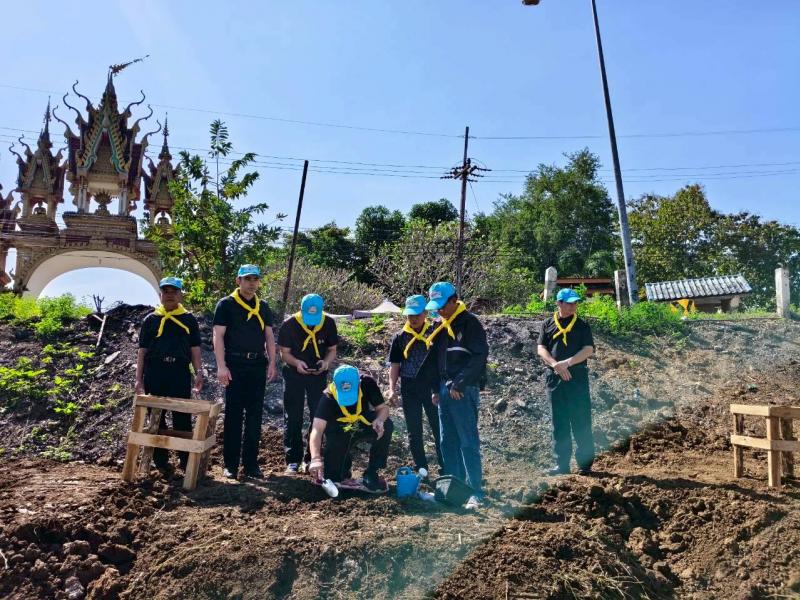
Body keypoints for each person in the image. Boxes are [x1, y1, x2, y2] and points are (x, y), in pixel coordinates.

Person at [425, 282, 488, 510]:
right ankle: (453, 490)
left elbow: (479, 357)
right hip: (444, 389)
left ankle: (475, 491)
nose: (440, 310)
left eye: (443, 306)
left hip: (463, 390)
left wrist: (460, 383)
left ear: (454, 300)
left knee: (467, 441)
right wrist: (435, 389)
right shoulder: (439, 326)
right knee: (447, 441)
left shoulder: (470, 323)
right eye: (436, 307)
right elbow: (434, 362)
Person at [213, 265, 277, 480]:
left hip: (257, 365)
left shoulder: (263, 306)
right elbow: (218, 336)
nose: (251, 283)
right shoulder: (226, 305)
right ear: (238, 281)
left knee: (254, 416)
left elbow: (269, 336)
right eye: (247, 279)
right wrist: (221, 366)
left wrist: (272, 362)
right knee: (233, 416)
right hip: (235, 366)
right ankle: (230, 465)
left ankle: (251, 465)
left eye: (255, 279)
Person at [135, 277, 203, 472]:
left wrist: (199, 373)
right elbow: (142, 351)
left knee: (182, 416)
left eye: (174, 291)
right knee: (156, 418)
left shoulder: (189, 319)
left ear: (180, 294)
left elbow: (195, 349)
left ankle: (185, 461)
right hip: (155, 371)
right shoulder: (150, 320)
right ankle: (161, 462)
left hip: (179, 371)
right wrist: (138, 379)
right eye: (166, 291)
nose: (170, 295)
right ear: (161, 294)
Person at [536, 288, 596, 475]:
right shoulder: (547, 324)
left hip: (576, 376)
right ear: (559, 303)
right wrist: (555, 365)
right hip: (555, 377)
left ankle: (585, 465)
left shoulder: (582, 325)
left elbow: (588, 350)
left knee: (581, 420)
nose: (573, 306)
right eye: (569, 303)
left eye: (575, 303)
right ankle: (561, 465)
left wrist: (567, 363)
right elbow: (541, 348)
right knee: (559, 422)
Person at [277, 293, 338, 473]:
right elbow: (284, 353)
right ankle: (293, 459)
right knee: (293, 415)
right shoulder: (289, 324)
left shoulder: (328, 323)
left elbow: (332, 349)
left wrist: (326, 362)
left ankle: (311, 457)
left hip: (318, 375)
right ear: (301, 310)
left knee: (317, 415)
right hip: (293, 374)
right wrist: (297, 363)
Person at [307, 365, 393, 493]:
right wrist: (315, 459)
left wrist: (379, 420)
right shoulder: (328, 397)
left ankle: (372, 472)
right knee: (334, 478)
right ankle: (340, 472)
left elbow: (383, 408)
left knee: (387, 424)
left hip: (361, 422)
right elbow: (317, 430)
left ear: (359, 383)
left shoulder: (367, 383)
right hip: (339, 429)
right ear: (335, 386)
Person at [387, 294, 442, 475]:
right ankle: (421, 468)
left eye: (417, 314)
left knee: (438, 427)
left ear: (425, 313)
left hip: (432, 386)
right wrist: (392, 389)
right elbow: (395, 365)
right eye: (410, 315)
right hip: (409, 386)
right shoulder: (400, 337)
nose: (414, 319)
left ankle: (445, 466)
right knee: (414, 430)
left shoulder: (435, 332)